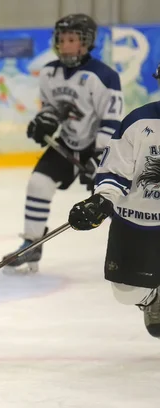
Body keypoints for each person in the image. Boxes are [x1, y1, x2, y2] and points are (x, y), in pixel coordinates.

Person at [3, 14, 123, 273]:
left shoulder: (104, 76)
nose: (65, 45)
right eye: (62, 39)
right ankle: (31, 244)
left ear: (86, 42)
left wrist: (102, 157)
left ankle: (131, 248)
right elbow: (51, 108)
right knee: (38, 183)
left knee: (111, 200)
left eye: (72, 39)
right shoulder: (50, 72)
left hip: (98, 149)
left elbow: (111, 120)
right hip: (67, 143)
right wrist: (44, 122)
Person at [68, 64, 160, 340]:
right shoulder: (139, 121)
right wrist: (101, 200)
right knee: (125, 292)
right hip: (135, 220)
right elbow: (114, 170)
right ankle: (151, 297)